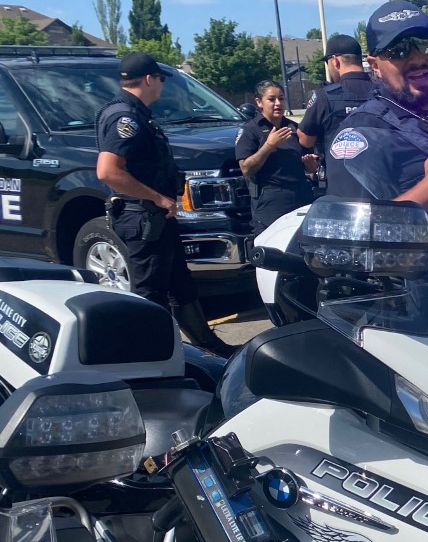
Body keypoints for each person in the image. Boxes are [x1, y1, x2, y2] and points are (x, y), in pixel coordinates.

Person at [95, 52, 235, 356]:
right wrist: (156, 197)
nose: (162, 85)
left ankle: (207, 347)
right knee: (151, 291)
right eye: (160, 79)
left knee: (180, 284)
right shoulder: (125, 118)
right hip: (143, 217)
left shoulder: (138, 113)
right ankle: (152, 355)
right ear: (149, 79)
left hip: (157, 216)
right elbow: (108, 171)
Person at [324, 0, 428, 208]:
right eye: (399, 50)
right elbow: (349, 230)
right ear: (375, 66)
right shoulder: (363, 132)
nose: (416, 58)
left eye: (425, 45)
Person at [235, 79, 318, 232]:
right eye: (271, 99)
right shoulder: (251, 130)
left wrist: (311, 166)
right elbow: (246, 169)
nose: (278, 103)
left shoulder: (294, 128)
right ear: (259, 102)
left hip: (300, 197)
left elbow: (311, 164)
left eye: (281, 98)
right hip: (271, 202)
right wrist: (269, 145)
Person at [298, 33, 375, 157]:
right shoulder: (384, 91)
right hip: (381, 171)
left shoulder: (325, 96)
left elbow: (305, 140)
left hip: (339, 172)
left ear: (335, 61)